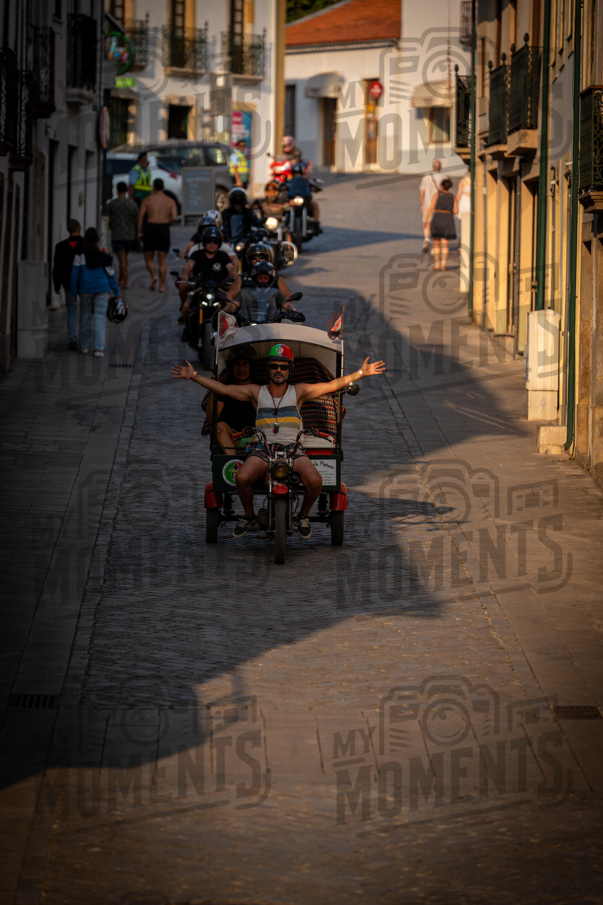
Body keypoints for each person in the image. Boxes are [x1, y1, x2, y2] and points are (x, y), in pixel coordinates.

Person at [172, 346, 386, 538]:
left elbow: (331, 385)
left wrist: (360, 373)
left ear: (289, 369)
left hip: (293, 450)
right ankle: (249, 516)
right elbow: (224, 390)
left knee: (316, 481)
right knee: (243, 478)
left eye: (283, 367)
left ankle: (303, 516)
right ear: (268, 368)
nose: (278, 370)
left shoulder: (299, 391)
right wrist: (194, 376)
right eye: (274, 366)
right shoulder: (256, 392)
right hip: (263, 449)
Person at [71, 227, 121, 358]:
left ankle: (84, 346)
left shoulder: (79, 254)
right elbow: (111, 275)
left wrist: (73, 292)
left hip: (85, 290)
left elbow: (75, 274)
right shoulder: (104, 256)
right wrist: (117, 292)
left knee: (85, 317)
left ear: (85, 239)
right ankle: (98, 349)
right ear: (98, 239)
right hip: (102, 289)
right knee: (99, 318)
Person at [205, 347, 258, 453]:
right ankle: (232, 463)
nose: (241, 368)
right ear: (231, 366)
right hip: (233, 437)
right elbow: (211, 418)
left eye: (245, 364)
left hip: (258, 436)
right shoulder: (225, 388)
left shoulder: (260, 386)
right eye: (237, 364)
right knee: (218, 427)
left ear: (251, 366)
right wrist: (214, 388)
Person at [178, 225, 237, 322]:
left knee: (231, 307)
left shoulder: (223, 255)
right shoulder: (197, 254)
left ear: (219, 243)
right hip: (201, 288)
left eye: (215, 242)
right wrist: (185, 273)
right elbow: (189, 264)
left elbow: (231, 267)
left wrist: (234, 275)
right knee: (186, 307)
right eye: (209, 241)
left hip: (219, 288)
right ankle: (187, 330)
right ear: (204, 242)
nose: (212, 244)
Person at [137, 178, 178, 292]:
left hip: (150, 228)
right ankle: (162, 286)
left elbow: (140, 217)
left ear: (153, 187)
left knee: (149, 257)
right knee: (162, 258)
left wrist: (140, 232)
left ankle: (154, 276)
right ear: (163, 187)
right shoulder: (170, 201)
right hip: (164, 228)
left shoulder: (147, 200)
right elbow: (174, 218)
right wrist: (166, 220)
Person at [225, 261, 294, 322]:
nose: (263, 281)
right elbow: (233, 305)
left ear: (270, 279)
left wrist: (294, 311)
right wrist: (224, 311)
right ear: (255, 278)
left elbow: (287, 305)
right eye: (260, 278)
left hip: (272, 325)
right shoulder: (246, 294)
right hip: (248, 324)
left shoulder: (275, 294)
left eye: (265, 278)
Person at [52, 219, 84, 351]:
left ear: (68, 230)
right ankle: (84, 341)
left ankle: (72, 340)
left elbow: (57, 267)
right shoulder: (85, 245)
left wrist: (56, 284)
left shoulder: (60, 246)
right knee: (86, 312)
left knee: (71, 311)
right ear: (79, 228)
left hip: (68, 283)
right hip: (84, 283)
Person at [226, 244, 292, 303]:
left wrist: (281, 309)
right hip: (246, 315)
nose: (257, 259)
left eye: (261, 257)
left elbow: (288, 297)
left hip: (271, 314)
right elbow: (230, 296)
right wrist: (233, 311)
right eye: (254, 257)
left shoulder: (275, 277)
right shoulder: (242, 278)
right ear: (249, 260)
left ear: (267, 259)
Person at [105, 182, 139, 289]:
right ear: (127, 190)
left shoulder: (111, 204)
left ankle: (126, 282)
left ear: (116, 190)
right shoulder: (132, 204)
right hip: (129, 235)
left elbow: (107, 219)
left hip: (117, 235)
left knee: (122, 259)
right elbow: (136, 218)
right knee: (124, 259)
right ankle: (120, 278)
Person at [424, 177, 457, 271]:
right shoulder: (453, 197)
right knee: (445, 244)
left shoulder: (437, 195)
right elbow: (456, 210)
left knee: (436, 243)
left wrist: (426, 219)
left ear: (442, 186)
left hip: (437, 217)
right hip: (448, 218)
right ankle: (443, 265)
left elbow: (431, 208)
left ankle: (437, 265)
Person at [419, 160, 444, 254]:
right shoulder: (443, 177)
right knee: (437, 226)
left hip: (427, 204)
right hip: (439, 205)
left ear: (433, 167)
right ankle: (435, 247)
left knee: (427, 223)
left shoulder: (426, 177)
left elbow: (422, 191)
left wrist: (421, 203)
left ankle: (426, 239)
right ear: (440, 167)